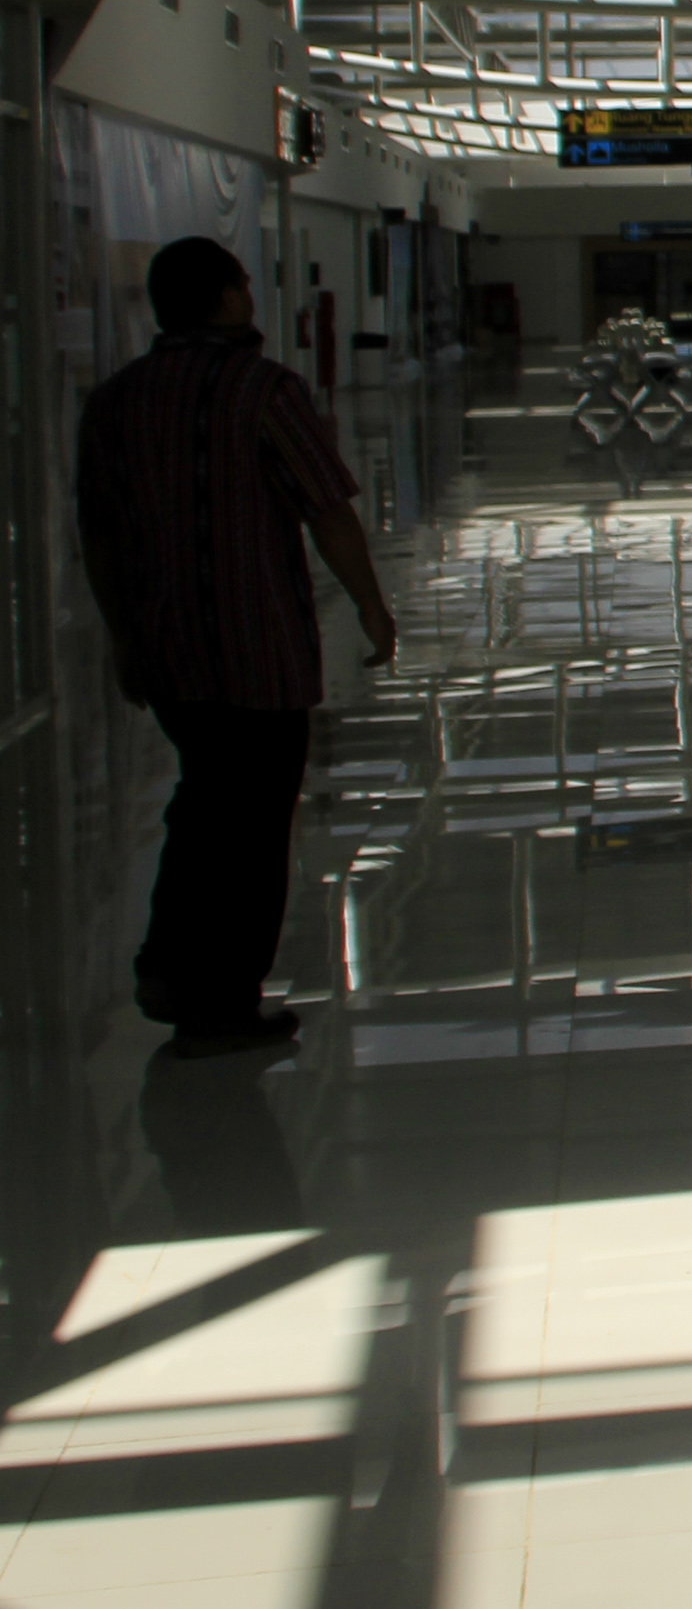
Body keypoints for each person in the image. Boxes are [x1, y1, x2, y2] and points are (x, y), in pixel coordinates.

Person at [74, 236, 400, 1058]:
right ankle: (221, 999)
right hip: (260, 652)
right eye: (244, 286)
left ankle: (167, 961)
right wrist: (369, 604)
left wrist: (122, 637)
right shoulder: (266, 391)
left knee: (205, 798)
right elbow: (327, 510)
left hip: (169, 649)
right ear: (224, 299)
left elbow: (100, 534)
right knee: (252, 822)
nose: (250, 297)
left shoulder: (115, 401)